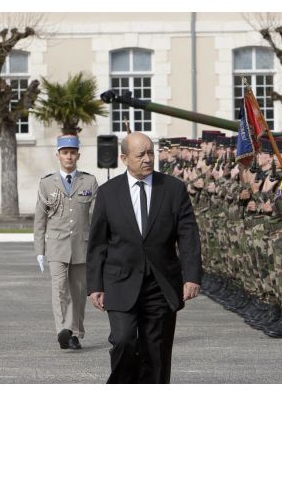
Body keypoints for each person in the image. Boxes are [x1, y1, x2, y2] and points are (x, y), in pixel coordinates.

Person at [86, 132, 202, 384]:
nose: (148, 159)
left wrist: (192, 276)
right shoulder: (108, 193)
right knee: (124, 341)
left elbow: (188, 235)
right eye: (140, 155)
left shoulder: (172, 189)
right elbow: (97, 243)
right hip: (120, 281)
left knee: (156, 352)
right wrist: (95, 285)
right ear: (124, 158)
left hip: (160, 283)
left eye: (150, 152)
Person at [34, 134, 98, 351]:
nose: (68, 156)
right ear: (58, 155)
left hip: (81, 246)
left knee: (78, 292)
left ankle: (76, 333)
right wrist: (39, 251)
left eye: (72, 152)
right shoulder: (46, 183)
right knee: (59, 288)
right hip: (56, 247)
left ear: (78, 155)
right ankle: (63, 330)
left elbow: (96, 218)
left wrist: (98, 250)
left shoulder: (89, 181)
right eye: (64, 152)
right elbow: (39, 220)